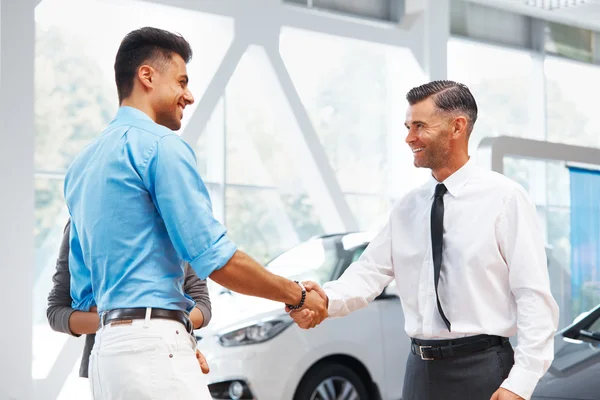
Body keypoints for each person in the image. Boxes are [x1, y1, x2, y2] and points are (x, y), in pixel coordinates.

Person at [63, 27, 327, 399]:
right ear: (147, 76)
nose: (188, 95)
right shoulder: (161, 147)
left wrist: (171, 334)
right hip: (152, 351)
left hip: (108, 358)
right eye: (182, 81)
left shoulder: (81, 166)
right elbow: (216, 259)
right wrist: (296, 295)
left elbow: (83, 293)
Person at [290, 80, 559, 400]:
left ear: (457, 127)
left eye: (419, 126)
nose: (409, 138)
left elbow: (533, 297)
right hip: (419, 372)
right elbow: (366, 276)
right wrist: (322, 302)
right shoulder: (406, 208)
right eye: (407, 126)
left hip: (485, 370)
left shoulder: (505, 199)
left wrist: (521, 382)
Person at [46, 219, 211, 378]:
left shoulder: (177, 219)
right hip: (112, 366)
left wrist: (163, 328)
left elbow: (202, 306)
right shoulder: (83, 217)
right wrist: (125, 323)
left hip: (174, 355)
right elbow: (57, 312)